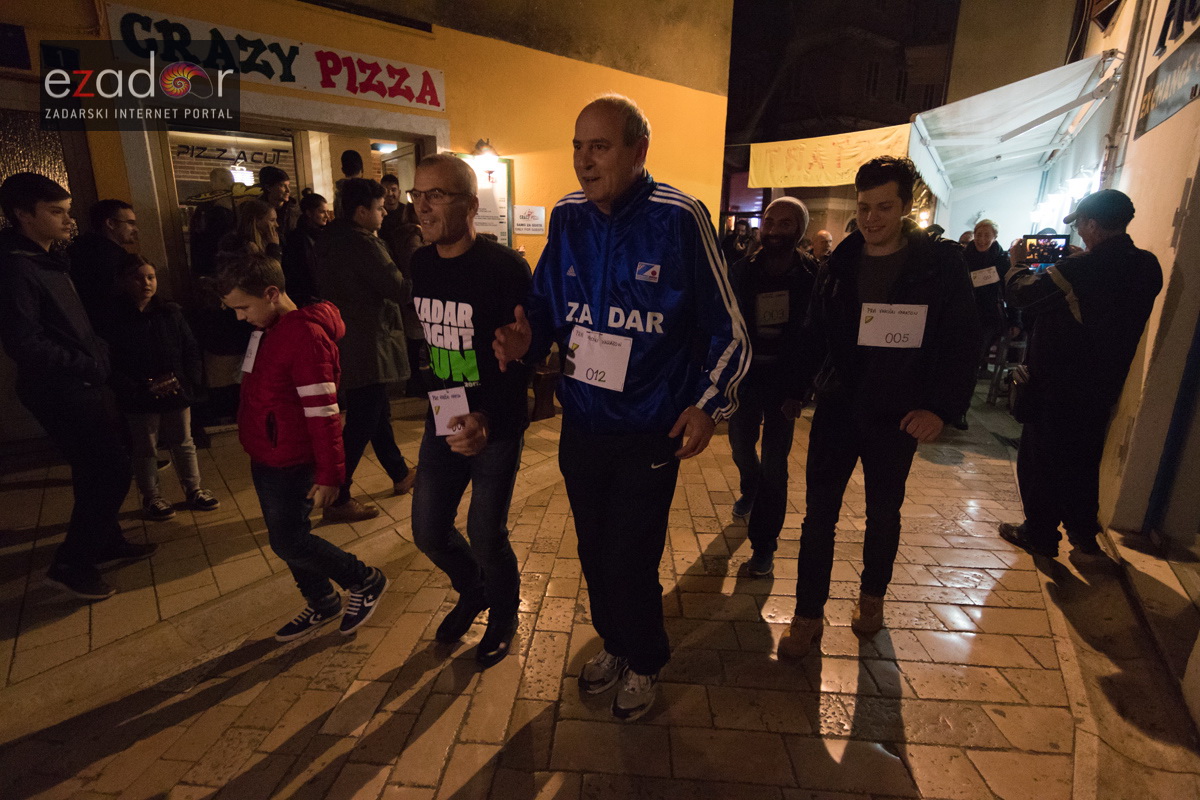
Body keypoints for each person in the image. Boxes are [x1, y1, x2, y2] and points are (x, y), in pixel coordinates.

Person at [494, 94, 750, 720]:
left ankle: (646, 658)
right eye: (578, 146)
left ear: (638, 151)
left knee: (629, 556)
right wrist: (529, 341)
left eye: (600, 147)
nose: (584, 160)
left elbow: (729, 329)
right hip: (583, 426)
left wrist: (708, 405)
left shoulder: (680, 217)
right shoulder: (568, 216)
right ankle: (614, 642)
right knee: (592, 550)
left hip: (648, 429)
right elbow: (546, 306)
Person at [777, 156, 980, 659]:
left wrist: (940, 408)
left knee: (883, 513)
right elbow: (814, 333)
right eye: (864, 207)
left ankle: (872, 598)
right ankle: (807, 615)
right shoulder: (841, 263)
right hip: (839, 406)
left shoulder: (939, 265)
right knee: (818, 516)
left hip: (897, 412)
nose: (871, 219)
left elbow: (962, 342)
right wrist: (794, 389)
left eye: (884, 208)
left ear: (906, 207)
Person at [217, 252, 389, 640]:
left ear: (271, 293)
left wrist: (330, 475)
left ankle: (364, 580)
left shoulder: (305, 337)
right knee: (285, 538)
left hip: (292, 459)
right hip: (268, 453)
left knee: (289, 541)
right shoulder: (269, 329)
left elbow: (324, 413)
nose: (240, 317)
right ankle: (322, 600)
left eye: (244, 307)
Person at [0, 173, 154, 600]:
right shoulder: (16, 266)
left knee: (94, 467)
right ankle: (71, 565)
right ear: (23, 215)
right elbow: (24, 341)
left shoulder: (47, 257)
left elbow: (72, 322)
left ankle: (104, 541)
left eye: (67, 211)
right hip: (59, 387)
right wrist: (85, 362)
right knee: (111, 468)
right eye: (56, 212)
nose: (69, 221)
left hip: (80, 379)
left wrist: (97, 350)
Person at [407, 153, 532, 667]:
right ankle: (474, 589)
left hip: (495, 421)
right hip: (444, 414)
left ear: (471, 205)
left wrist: (487, 418)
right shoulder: (419, 264)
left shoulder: (504, 268)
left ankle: (503, 613)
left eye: (436, 195)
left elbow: (522, 356)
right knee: (428, 530)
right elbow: (430, 342)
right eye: (417, 195)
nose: (423, 207)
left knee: (485, 532)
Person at [1000, 189, 1162, 561]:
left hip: (1057, 385)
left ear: (1090, 223)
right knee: (1083, 462)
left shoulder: (1080, 270)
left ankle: (1039, 535)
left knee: (1041, 462)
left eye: (1082, 225)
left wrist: (1017, 264)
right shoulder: (1147, 266)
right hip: (1104, 384)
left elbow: (1023, 295)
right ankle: (1083, 536)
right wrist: (1078, 262)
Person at [313, 178, 415, 522]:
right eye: (379, 208)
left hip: (348, 336)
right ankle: (339, 496)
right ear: (361, 212)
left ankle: (399, 473)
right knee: (362, 420)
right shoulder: (363, 244)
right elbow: (398, 288)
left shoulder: (329, 239)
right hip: (369, 340)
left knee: (375, 410)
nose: (384, 213)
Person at [728, 197, 817, 577]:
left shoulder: (813, 275)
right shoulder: (741, 271)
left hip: (786, 384)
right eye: (769, 221)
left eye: (785, 223)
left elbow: (817, 337)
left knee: (775, 465)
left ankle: (764, 546)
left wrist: (801, 391)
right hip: (746, 378)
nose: (775, 229)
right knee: (740, 445)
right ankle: (749, 485)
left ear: (799, 230)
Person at [99, 254, 220, 520]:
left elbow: (189, 348)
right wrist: (134, 388)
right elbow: (110, 361)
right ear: (124, 281)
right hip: (139, 395)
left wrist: (187, 380)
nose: (146, 283)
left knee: (183, 442)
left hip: (175, 389)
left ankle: (194, 489)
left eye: (151, 277)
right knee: (145, 447)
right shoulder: (113, 318)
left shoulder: (169, 312)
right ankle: (152, 496)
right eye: (138, 278)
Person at [960, 219, 1011, 430]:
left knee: (972, 361)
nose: (981, 239)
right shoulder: (963, 257)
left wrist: (1014, 320)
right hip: (963, 314)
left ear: (994, 237)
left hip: (987, 317)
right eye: (979, 235)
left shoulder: (1002, 260)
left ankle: (961, 408)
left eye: (986, 235)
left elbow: (1008, 291)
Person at [67, 199, 137, 325]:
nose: (136, 229)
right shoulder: (111, 258)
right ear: (110, 223)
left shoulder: (80, 249)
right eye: (130, 223)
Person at [281, 192, 328, 306]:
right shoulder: (297, 239)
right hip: (308, 297)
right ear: (309, 213)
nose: (327, 216)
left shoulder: (326, 234)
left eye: (327, 211)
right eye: (322, 212)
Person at [256, 165, 294, 246]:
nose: (288, 190)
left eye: (288, 185)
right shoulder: (257, 211)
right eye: (282, 185)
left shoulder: (294, 210)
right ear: (268, 187)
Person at [333, 149, 365, 219]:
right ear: (362, 169)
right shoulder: (366, 190)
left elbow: (337, 213)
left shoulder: (339, 190)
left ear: (343, 170)